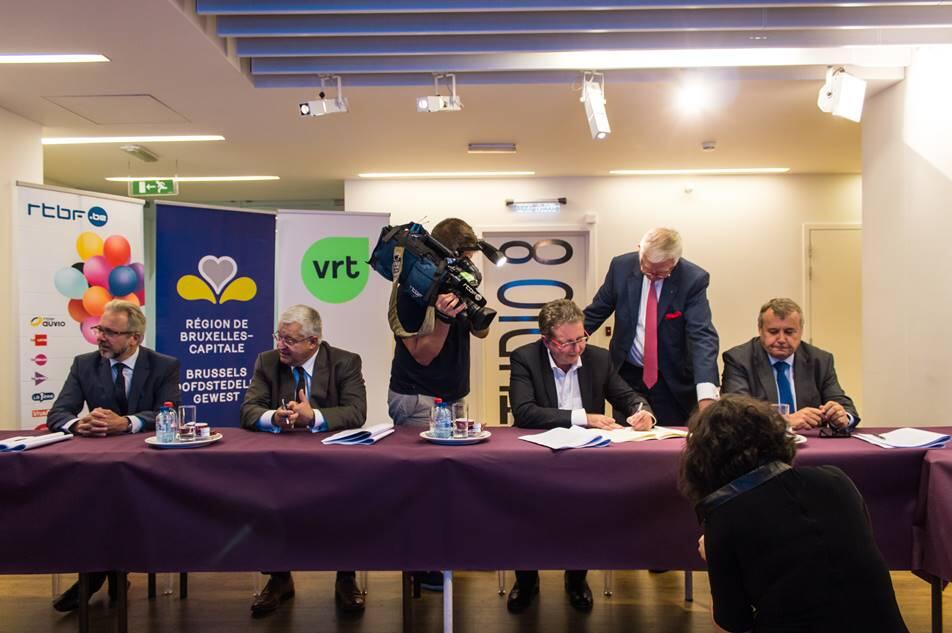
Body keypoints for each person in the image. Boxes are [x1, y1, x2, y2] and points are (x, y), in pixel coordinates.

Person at [679, 395, 907, 633]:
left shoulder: (724, 517)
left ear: (704, 461)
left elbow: (731, 626)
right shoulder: (836, 479)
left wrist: (714, 555)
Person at [506, 299, 654, 613]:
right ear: (547, 341)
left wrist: (643, 412)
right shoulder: (525, 358)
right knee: (526, 514)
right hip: (537, 457)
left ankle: (576, 580)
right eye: (568, 343)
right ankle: (526, 580)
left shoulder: (598, 358)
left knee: (583, 513)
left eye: (581, 338)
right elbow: (524, 412)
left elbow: (627, 396)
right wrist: (583, 417)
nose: (577, 349)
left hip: (585, 458)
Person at [46, 299, 181, 612]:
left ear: (135, 338)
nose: (100, 337)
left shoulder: (164, 365)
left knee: (124, 506)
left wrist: (127, 422)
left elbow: (169, 413)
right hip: (99, 467)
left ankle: (96, 576)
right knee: (91, 505)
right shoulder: (84, 364)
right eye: (99, 329)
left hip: (147, 466)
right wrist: (78, 424)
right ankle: (108, 571)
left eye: (110, 332)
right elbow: (58, 413)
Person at [240, 304, 368, 616]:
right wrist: (273, 417)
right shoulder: (267, 362)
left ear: (313, 342)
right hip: (283, 461)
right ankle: (279, 579)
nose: (281, 346)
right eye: (279, 337)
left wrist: (315, 417)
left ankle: (346, 578)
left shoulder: (344, 362)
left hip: (332, 459)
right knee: (265, 496)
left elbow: (356, 412)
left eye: (290, 340)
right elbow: (249, 410)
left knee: (347, 501)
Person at [385, 218, 492, 591]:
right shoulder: (411, 290)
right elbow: (423, 354)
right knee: (420, 486)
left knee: (446, 483)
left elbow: (481, 331)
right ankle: (420, 564)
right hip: (418, 398)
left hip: (452, 397)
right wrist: (445, 317)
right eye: (464, 258)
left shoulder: (455, 285)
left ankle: (442, 554)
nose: (469, 265)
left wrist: (470, 305)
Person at [584, 227, 719, 426]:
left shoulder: (693, 279)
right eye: (646, 268)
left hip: (673, 381)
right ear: (639, 250)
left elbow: (702, 336)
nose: (652, 276)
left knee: (672, 440)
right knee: (628, 437)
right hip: (628, 377)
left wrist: (707, 396)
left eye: (661, 272)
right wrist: (568, 340)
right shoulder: (620, 267)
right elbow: (597, 311)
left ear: (675, 261)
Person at [721, 297, 859, 430]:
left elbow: (845, 407)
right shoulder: (739, 359)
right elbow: (736, 414)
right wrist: (784, 421)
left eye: (789, 332)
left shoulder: (820, 360)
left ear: (800, 331)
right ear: (760, 330)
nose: (781, 339)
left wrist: (842, 416)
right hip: (761, 442)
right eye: (773, 332)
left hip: (812, 442)